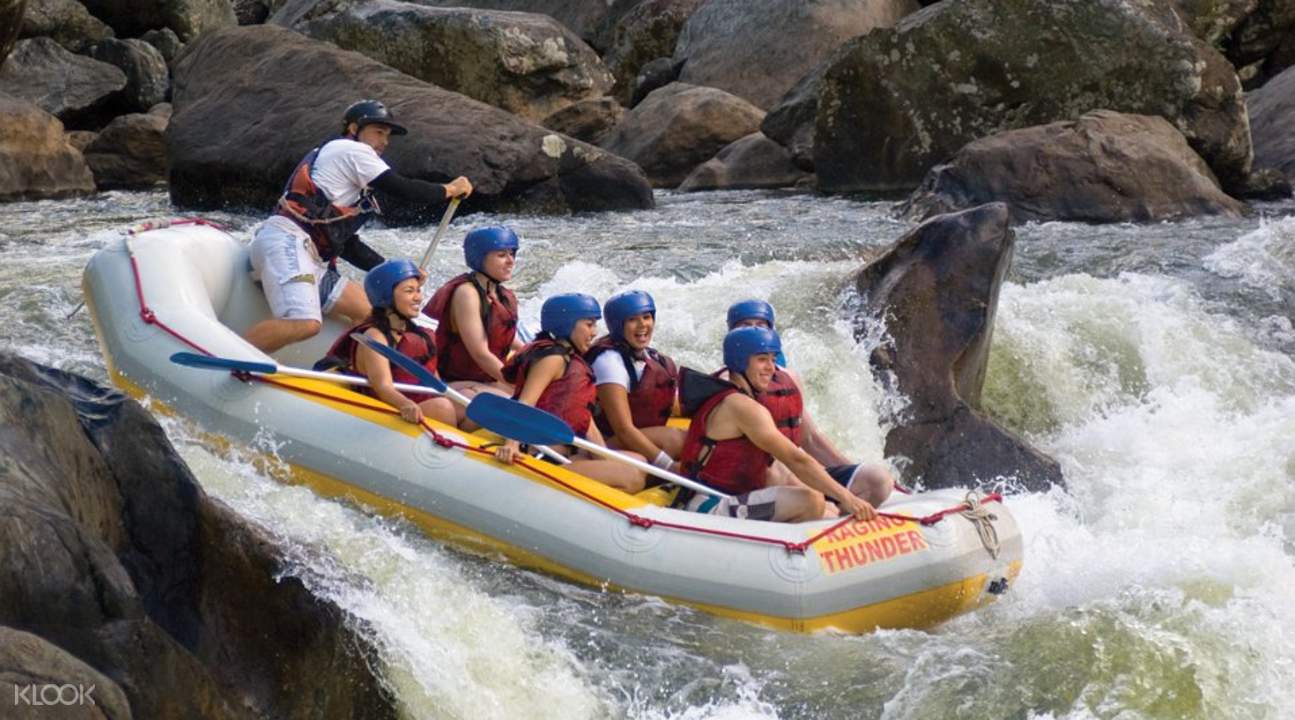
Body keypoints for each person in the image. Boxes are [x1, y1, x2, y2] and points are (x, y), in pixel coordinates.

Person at [243, 99, 474, 353]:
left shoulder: (347, 180)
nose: (384, 141)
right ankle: (231, 357)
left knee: (373, 315)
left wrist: (396, 274)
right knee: (306, 323)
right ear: (353, 129)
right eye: (378, 132)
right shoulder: (349, 150)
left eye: (387, 136)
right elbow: (403, 188)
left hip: (310, 256)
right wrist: (450, 189)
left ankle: (350, 371)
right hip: (286, 242)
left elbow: (345, 244)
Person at [676, 327, 892, 522]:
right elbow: (796, 459)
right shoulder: (740, 406)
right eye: (762, 359)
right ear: (740, 362)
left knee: (828, 506)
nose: (771, 368)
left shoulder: (744, 400)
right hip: (709, 504)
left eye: (772, 359)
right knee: (811, 501)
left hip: (742, 496)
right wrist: (849, 499)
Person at [723, 298, 886, 490]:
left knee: (877, 480)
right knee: (786, 478)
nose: (754, 332)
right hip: (761, 478)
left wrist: (851, 469)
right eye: (745, 326)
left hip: (797, 472)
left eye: (760, 325)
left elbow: (809, 439)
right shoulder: (726, 384)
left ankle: (837, 508)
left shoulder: (788, 377)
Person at [495, 293, 646, 493]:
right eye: (589, 325)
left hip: (568, 453)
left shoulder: (574, 362)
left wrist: (605, 458)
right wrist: (511, 445)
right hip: (541, 455)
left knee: (639, 461)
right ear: (567, 324)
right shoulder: (552, 359)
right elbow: (525, 403)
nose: (594, 333)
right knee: (632, 478)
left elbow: (585, 419)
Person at [318, 258, 460, 427]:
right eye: (409, 291)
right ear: (387, 297)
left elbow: (435, 381)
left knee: (463, 403)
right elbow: (383, 386)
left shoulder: (420, 335)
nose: (418, 298)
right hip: (388, 409)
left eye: (418, 291)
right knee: (442, 407)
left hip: (419, 400)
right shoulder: (375, 337)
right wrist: (405, 404)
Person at [585, 290, 684, 472]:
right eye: (632, 320)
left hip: (636, 434)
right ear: (617, 325)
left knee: (691, 439)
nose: (642, 325)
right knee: (675, 440)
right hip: (607, 441)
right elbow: (623, 429)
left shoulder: (651, 357)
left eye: (646, 317)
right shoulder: (609, 361)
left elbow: (670, 402)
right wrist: (668, 466)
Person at [422, 226, 522, 386]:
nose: (510, 261)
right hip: (456, 382)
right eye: (502, 255)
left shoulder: (501, 294)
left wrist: (536, 353)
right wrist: (516, 385)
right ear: (479, 258)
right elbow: (480, 353)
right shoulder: (467, 294)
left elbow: (505, 337)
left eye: (512, 254)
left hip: (487, 378)